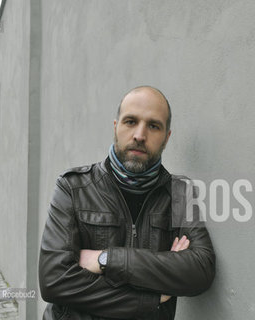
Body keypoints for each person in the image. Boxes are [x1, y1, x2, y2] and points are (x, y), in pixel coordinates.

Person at [39, 86, 215, 319]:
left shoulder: (179, 194)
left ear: (167, 137)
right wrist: (151, 298)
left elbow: (200, 271)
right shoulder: (73, 187)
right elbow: (54, 281)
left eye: (153, 126)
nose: (140, 135)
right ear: (116, 127)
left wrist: (106, 259)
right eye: (131, 121)